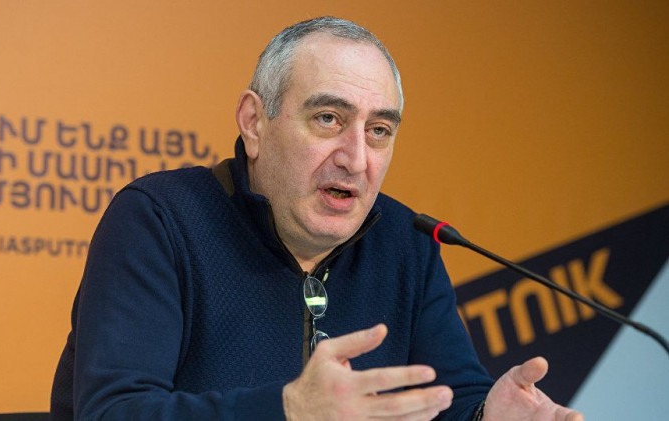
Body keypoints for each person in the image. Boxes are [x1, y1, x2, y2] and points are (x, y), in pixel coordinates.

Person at [51, 16, 584, 421]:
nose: (356, 158)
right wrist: (288, 409)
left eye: (379, 130)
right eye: (328, 119)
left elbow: (451, 397)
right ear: (254, 122)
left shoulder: (407, 243)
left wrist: (487, 415)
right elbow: (114, 412)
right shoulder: (160, 220)